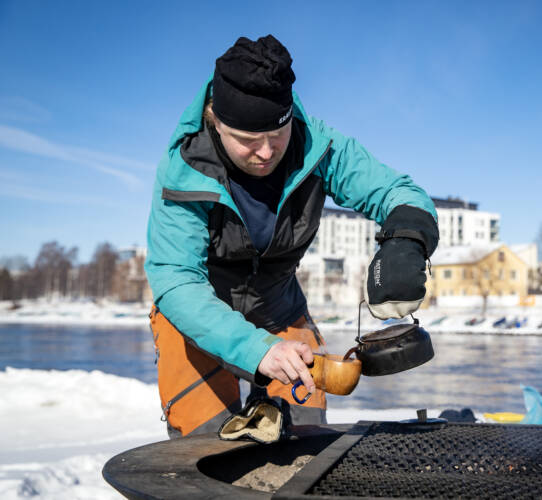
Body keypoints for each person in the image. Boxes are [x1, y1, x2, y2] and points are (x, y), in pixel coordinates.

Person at [145, 35, 439, 438]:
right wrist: (256, 350)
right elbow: (176, 280)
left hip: (280, 311)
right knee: (207, 446)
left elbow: (397, 191)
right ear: (216, 120)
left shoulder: (317, 146)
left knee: (303, 439)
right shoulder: (184, 170)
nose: (266, 153)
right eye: (248, 141)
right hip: (197, 319)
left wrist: (406, 239)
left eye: (276, 136)